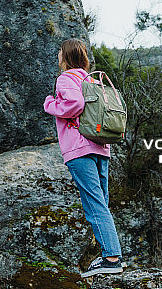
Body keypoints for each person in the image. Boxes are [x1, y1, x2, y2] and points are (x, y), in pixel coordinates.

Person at [43, 38, 124, 277]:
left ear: (66, 56)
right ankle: (112, 255)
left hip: (80, 149)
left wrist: (51, 104)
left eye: (60, 52)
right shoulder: (91, 79)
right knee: (101, 203)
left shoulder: (66, 78)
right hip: (101, 147)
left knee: (93, 204)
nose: (58, 55)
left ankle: (111, 258)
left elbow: (75, 103)